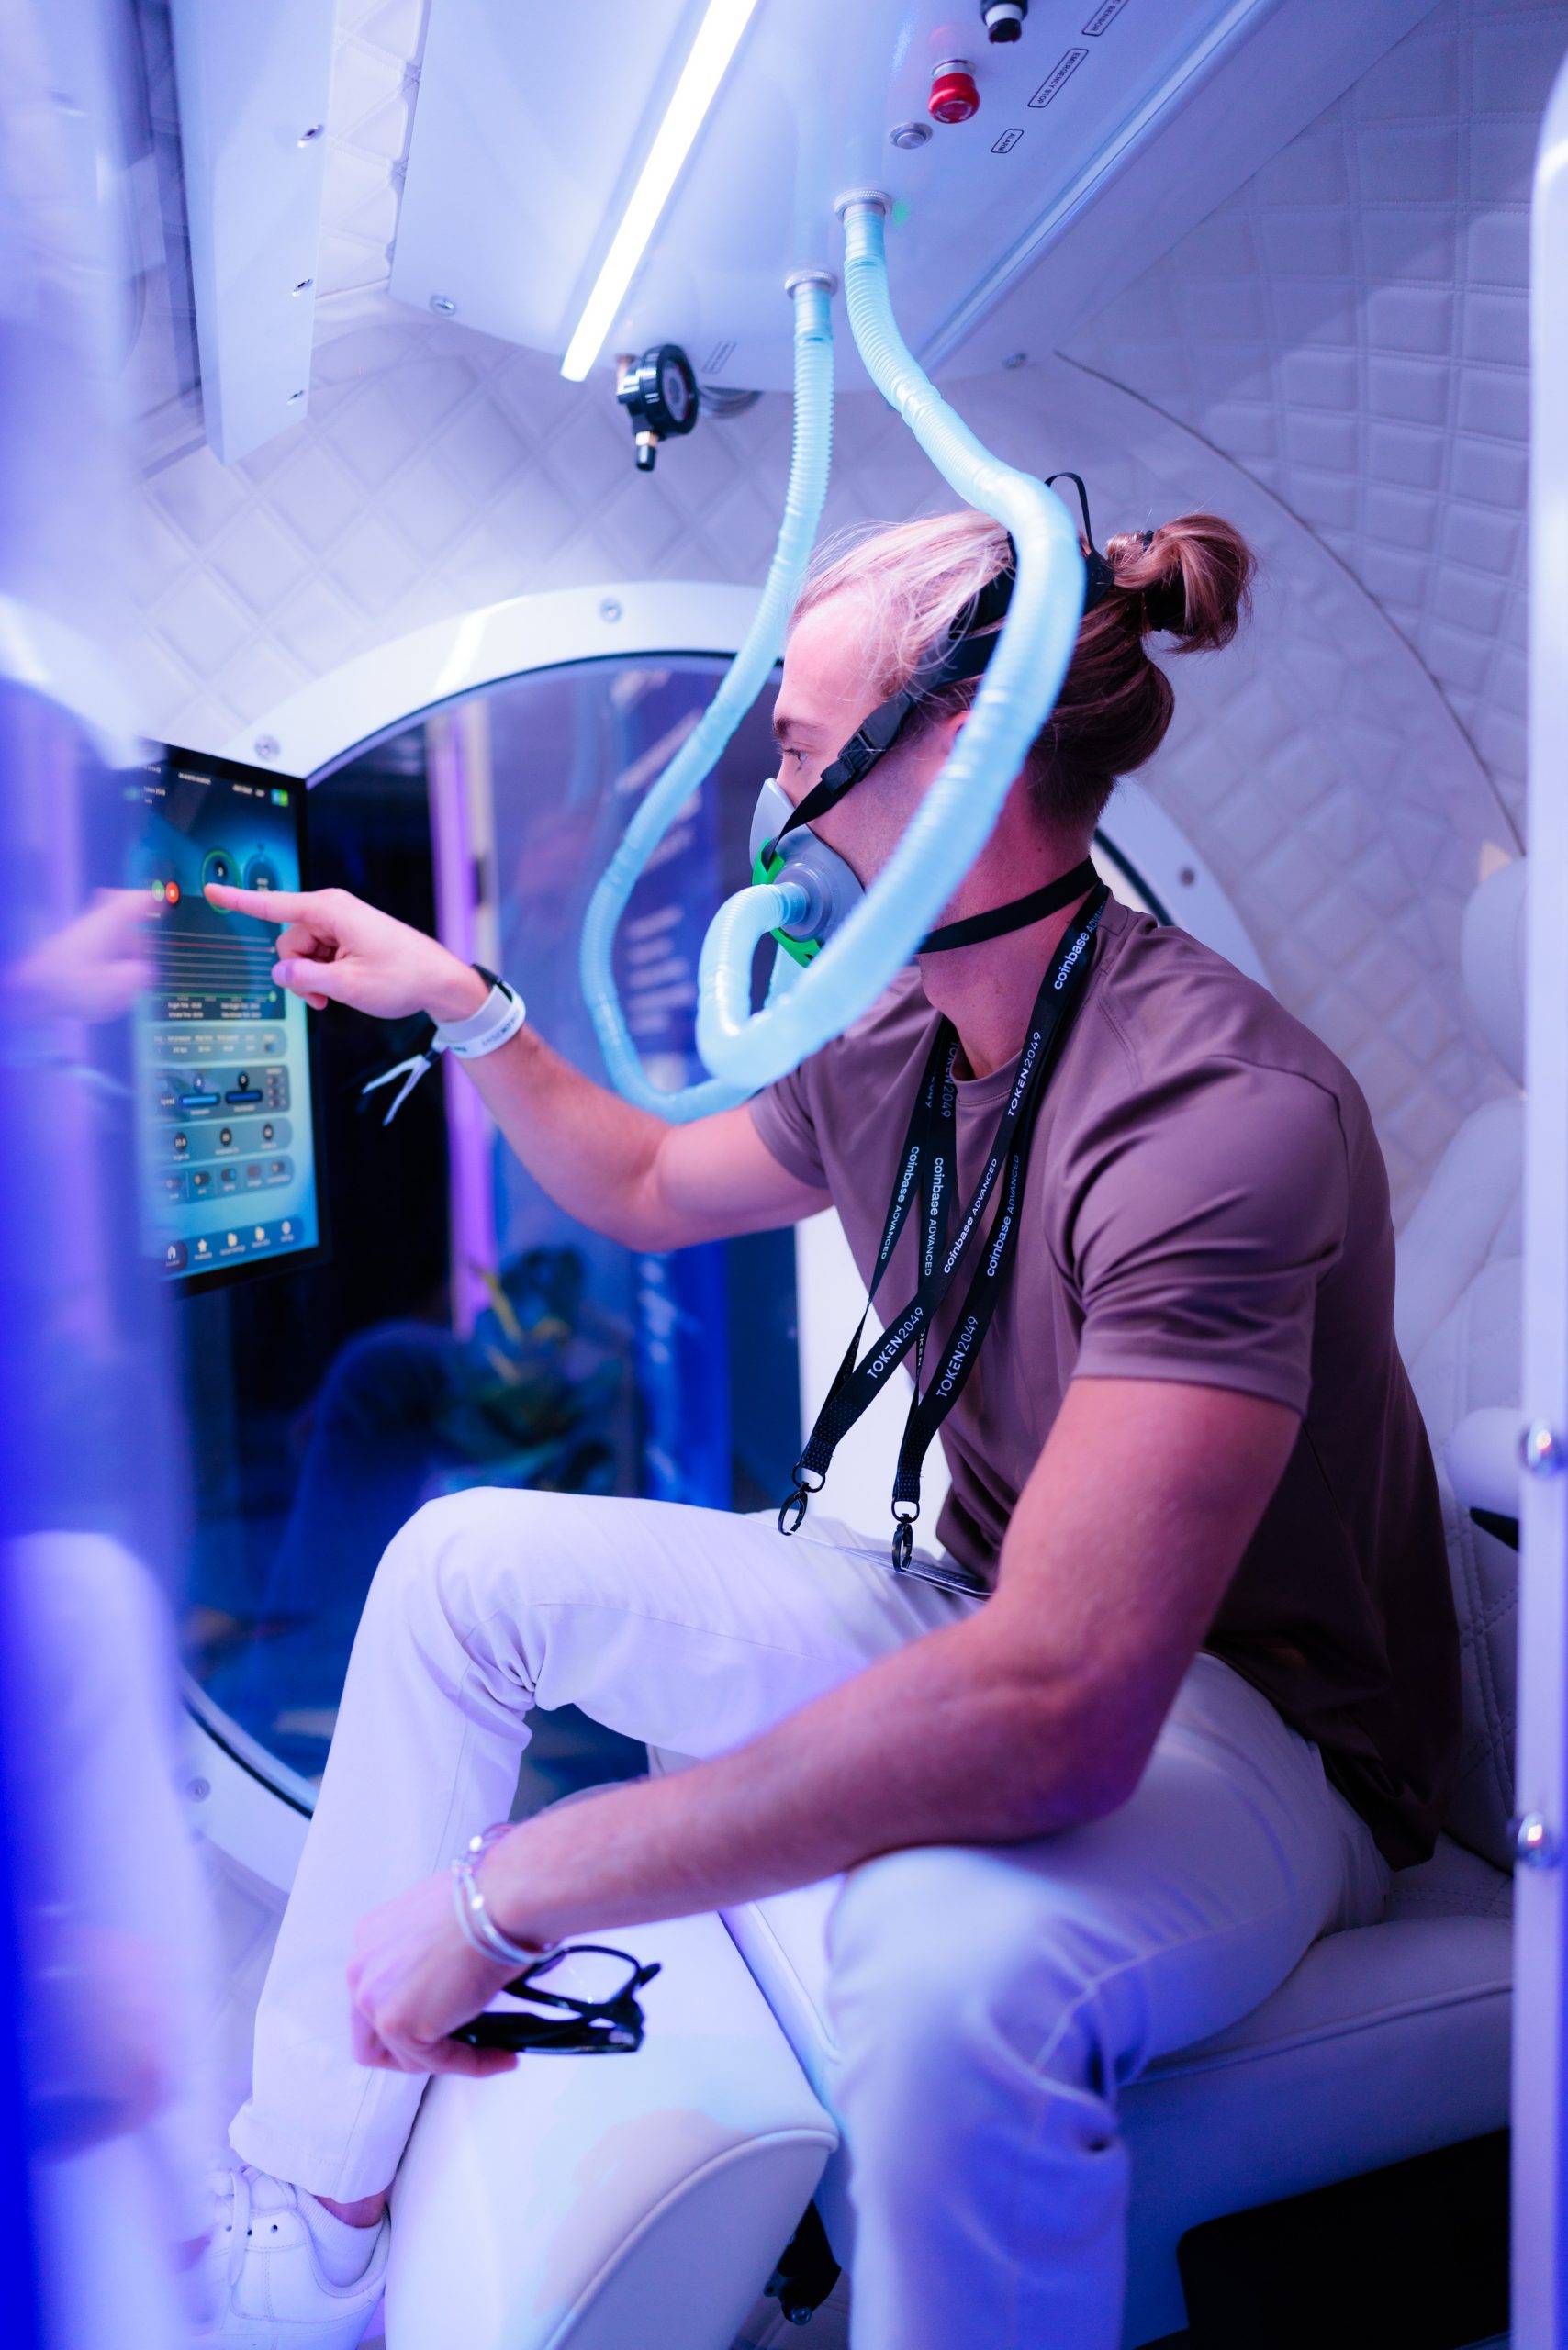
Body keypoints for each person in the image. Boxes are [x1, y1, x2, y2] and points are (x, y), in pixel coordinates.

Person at [196, 507, 1461, 2350]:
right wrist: (460, 1003)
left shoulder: (1216, 1114)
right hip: (978, 1601)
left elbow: (1062, 1701)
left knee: (945, 1972)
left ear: (956, 754)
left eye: (794, 752)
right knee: (464, 1566)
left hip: (1253, 1719)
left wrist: (507, 1889)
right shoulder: (893, 1041)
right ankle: (314, 2224)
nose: (769, 807)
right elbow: (642, 1181)